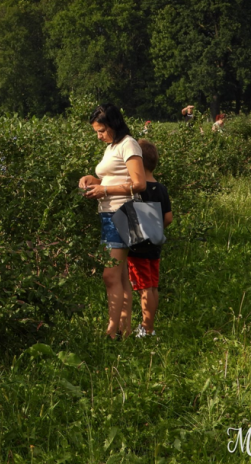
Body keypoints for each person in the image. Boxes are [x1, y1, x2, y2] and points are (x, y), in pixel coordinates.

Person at [78, 104, 146, 339]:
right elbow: (112, 177)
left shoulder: (129, 144)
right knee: (120, 275)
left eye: (101, 130)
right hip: (109, 214)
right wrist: (93, 180)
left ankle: (111, 330)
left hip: (123, 213)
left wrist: (104, 190)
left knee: (109, 275)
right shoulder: (112, 146)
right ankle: (123, 330)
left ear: (114, 124)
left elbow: (139, 184)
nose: (99, 136)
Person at [126, 140, 172, 338]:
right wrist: (156, 228)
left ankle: (147, 328)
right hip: (155, 243)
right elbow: (168, 218)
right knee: (152, 286)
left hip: (138, 246)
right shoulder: (161, 188)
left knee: (143, 287)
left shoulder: (137, 188)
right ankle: (149, 326)